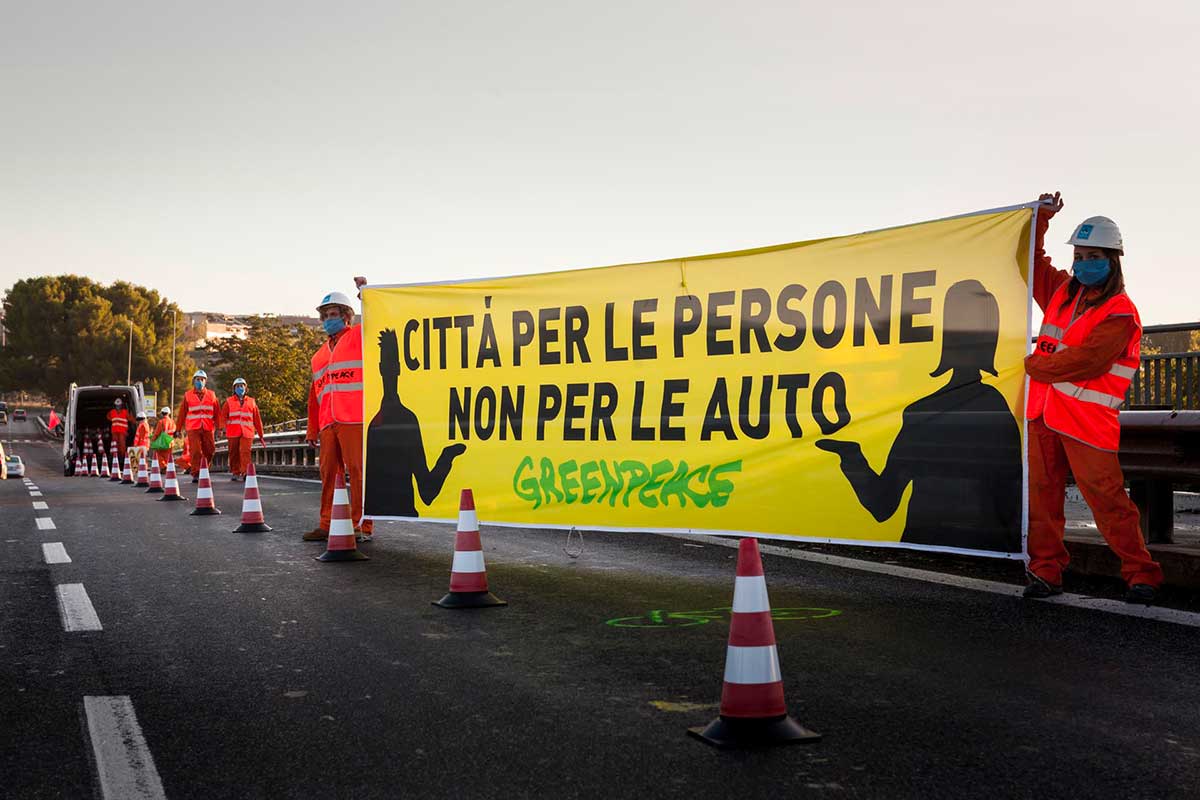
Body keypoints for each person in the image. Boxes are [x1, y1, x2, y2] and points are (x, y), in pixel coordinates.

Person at [1023, 191, 1163, 604]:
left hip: (1085, 423)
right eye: (1079, 257)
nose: (1084, 264)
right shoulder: (1061, 293)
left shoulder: (1121, 311)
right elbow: (1032, 263)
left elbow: (1088, 361)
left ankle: (1142, 575)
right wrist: (1041, 218)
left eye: (1093, 256)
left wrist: (1031, 367)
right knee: (1042, 500)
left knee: (1108, 502)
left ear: (1113, 260)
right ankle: (1045, 572)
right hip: (1043, 415)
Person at [303, 285, 373, 542]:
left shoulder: (357, 337)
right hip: (327, 422)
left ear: (346, 315)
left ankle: (361, 525)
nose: (329, 319)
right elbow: (315, 396)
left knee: (358, 472)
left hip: (354, 419)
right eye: (326, 315)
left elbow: (376, 320)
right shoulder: (318, 356)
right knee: (328, 473)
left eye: (334, 314)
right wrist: (313, 428)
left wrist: (364, 293)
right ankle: (326, 523)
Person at [176, 369, 219, 483]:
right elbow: (182, 413)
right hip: (193, 428)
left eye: (202, 380)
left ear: (205, 382)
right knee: (195, 451)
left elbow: (217, 413)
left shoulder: (212, 395)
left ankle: (204, 469)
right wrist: (178, 429)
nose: (200, 382)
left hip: (208, 427)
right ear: (193, 381)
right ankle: (196, 473)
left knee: (210, 450)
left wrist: (220, 427)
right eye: (197, 379)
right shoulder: (188, 395)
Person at [219, 377, 266, 481]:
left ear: (245, 388)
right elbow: (223, 416)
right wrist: (222, 428)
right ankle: (235, 472)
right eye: (238, 386)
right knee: (233, 452)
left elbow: (257, 419)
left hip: (247, 432)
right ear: (234, 389)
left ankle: (245, 472)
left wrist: (261, 434)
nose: (240, 388)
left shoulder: (252, 402)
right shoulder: (229, 402)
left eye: (242, 386)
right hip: (233, 432)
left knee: (245, 452)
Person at [106, 398, 133, 471]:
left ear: (121, 406)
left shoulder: (125, 412)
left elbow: (130, 419)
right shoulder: (112, 412)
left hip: (122, 432)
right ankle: (115, 457)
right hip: (115, 432)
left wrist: (135, 421)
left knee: (122, 446)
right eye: (117, 406)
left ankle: (122, 458)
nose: (118, 407)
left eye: (119, 406)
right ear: (115, 406)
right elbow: (108, 417)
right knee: (115, 445)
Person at [151, 406, 177, 471]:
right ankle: (168, 468)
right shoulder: (172, 422)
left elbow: (157, 433)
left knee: (158, 454)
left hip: (162, 442)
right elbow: (175, 431)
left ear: (162, 413)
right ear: (169, 413)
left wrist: (153, 440)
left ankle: (163, 467)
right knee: (168, 456)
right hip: (170, 442)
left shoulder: (161, 422)